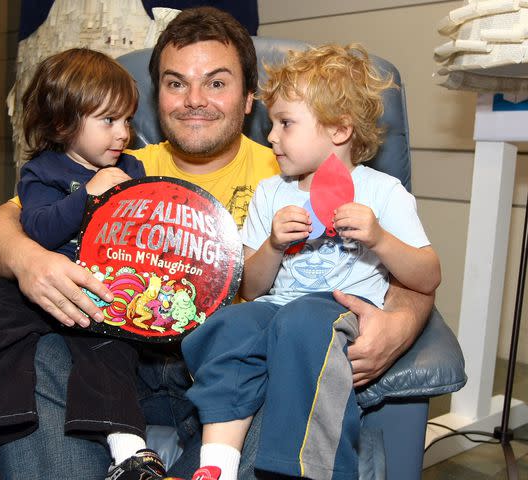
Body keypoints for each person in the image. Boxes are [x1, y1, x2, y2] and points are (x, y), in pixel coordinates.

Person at [0, 7, 434, 479]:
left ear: (250, 97)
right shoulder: (116, 166)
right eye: (175, 83)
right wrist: (29, 261)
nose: (195, 99)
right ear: (156, 99)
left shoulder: (287, 170)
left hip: (237, 365)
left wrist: (399, 322)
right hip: (118, 359)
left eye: (216, 83)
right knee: (42, 345)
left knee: (292, 364)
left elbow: (407, 268)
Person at [180, 44, 441, 480]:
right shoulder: (270, 193)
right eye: (272, 124)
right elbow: (252, 289)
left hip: (337, 309)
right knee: (227, 326)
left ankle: (307, 469)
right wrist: (273, 246)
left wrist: (380, 239)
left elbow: (428, 274)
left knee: (302, 320)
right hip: (275, 309)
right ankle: (218, 464)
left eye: (285, 123)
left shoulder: (383, 191)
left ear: (338, 130)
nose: (271, 137)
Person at [0, 49, 168, 480]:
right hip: (36, 286)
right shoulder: (42, 172)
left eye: (127, 120)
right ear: (64, 122)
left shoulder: (132, 168)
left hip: (102, 287)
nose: (123, 133)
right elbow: (40, 229)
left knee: (111, 352)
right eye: (108, 121)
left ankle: (130, 452)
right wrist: (90, 194)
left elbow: (145, 236)